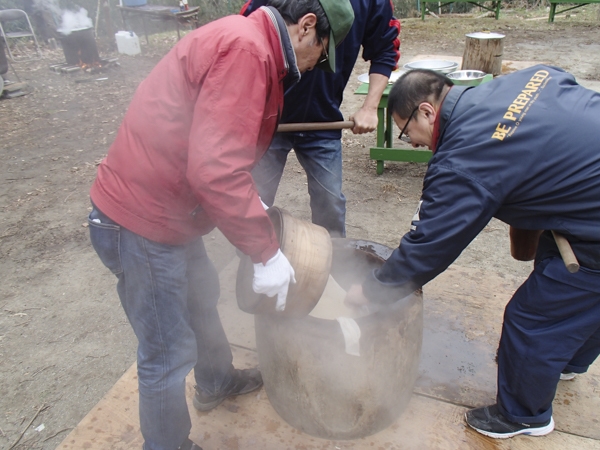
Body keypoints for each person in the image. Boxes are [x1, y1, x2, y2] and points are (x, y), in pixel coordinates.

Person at [87, 1, 354, 449]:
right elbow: (214, 169)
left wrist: (251, 206)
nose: (313, 67)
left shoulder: (248, 41)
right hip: (140, 221)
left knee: (202, 297)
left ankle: (215, 380)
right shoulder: (247, 51)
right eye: (320, 53)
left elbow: (221, 143)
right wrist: (265, 252)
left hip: (169, 212)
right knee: (167, 352)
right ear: (307, 27)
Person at [346, 66, 600, 439]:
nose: (413, 143)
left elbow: (430, 245)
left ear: (427, 112)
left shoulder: (464, 157)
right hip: (584, 200)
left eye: (406, 132)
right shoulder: (516, 82)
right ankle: (569, 360)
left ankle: (524, 416)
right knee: (575, 288)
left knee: (533, 320)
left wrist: (370, 289)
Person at [241, 0, 400, 237]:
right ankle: (255, 263)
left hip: (324, 120)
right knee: (255, 198)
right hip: (271, 119)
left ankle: (335, 265)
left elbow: (385, 51)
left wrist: (369, 108)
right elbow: (247, 35)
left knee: (330, 203)